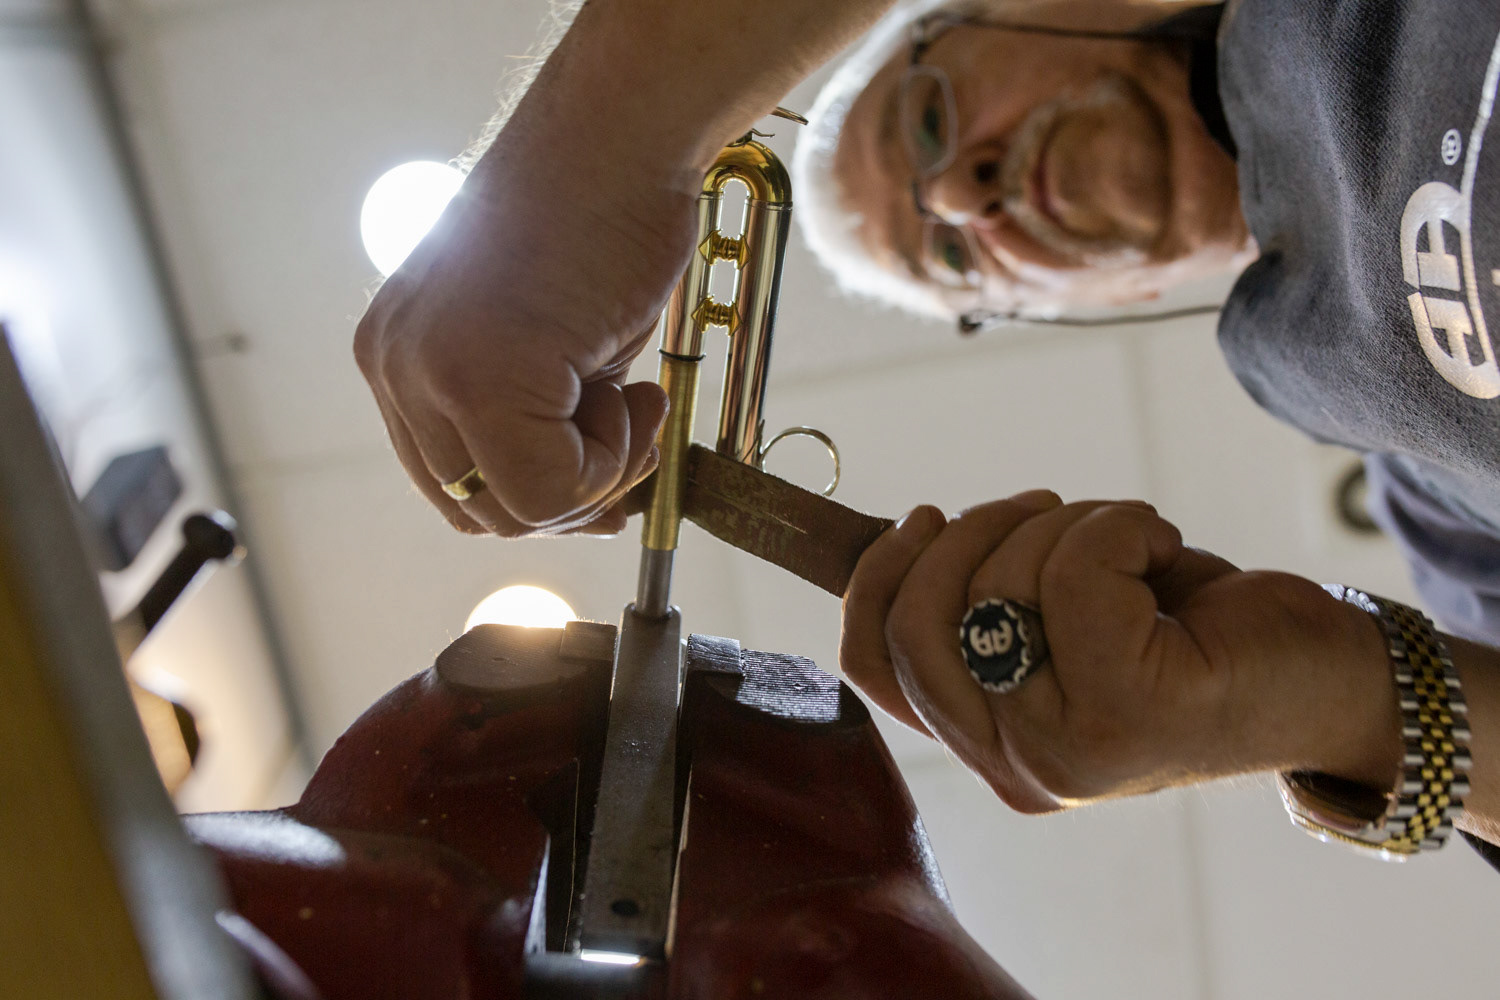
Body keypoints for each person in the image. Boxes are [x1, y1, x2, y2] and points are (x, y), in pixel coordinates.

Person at [353, 0, 1500, 861]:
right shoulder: (1439, 507)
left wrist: (594, 148)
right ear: (1098, 300)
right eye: (953, 255)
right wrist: (1339, 691)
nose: (963, 198)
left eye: (931, 117)